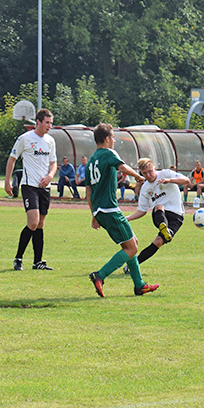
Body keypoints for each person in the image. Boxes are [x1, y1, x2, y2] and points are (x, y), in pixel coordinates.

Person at [86, 123, 158, 297]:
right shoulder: (109, 153)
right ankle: (100, 275)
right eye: (113, 137)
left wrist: (94, 215)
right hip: (110, 209)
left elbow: (89, 191)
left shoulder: (90, 161)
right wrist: (139, 176)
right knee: (132, 248)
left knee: (131, 242)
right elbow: (122, 167)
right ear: (106, 139)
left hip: (99, 211)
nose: (114, 141)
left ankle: (139, 285)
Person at [3, 108, 57, 271]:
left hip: (44, 188)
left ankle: (37, 262)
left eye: (51, 123)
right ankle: (18, 258)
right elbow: (12, 159)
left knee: (40, 224)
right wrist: (7, 182)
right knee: (33, 222)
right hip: (29, 186)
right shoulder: (25, 139)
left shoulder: (50, 141)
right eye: (47, 123)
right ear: (38, 122)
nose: (49, 126)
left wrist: (49, 176)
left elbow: (53, 163)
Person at [125, 158, 190, 268]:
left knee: (158, 241)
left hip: (177, 215)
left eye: (150, 171)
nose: (148, 175)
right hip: (159, 215)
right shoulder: (145, 188)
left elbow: (186, 181)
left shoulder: (166, 173)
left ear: (154, 168)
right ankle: (164, 227)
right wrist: (126, 218)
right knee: (159, 206)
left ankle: (132, 266)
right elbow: (141, 211)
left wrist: (169, 180)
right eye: (144, 173)